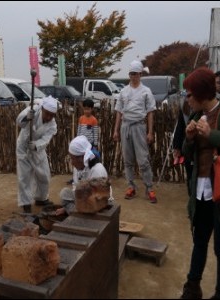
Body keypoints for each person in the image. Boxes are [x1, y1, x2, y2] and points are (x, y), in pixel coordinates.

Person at [179, 67, 220, 299]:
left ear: (201, 93)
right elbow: (189, 155)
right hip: (201, 190)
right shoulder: (197, 117)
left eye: (190, 94)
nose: (187, 99)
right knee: (199, 241)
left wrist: (211, 135)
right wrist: (189, 139)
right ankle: (192, 288)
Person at [113, 60, 157, 203]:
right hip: (125, 126)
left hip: (139, 126)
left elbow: (150, 112)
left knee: (143, 160)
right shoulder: (124, 91)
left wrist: (150, 132)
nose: (133, 76)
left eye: (136, 74)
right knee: (128, 160)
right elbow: (119, 112)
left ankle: (149, 188)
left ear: (140, 74)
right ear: (129, 74)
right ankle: (131, 186)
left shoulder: (146, 91)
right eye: (131, 73)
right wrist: (116, 130)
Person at [16, 95, 58, 213]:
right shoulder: (33, 110)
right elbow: (20, 122)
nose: (49, 117)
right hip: (23, 147)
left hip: (37, 149)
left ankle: (41, 198)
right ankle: (26, 203)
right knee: (24, 176)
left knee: (44, 174)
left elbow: (46, 139)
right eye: (47, 113)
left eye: (52, 115)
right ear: (43, 109)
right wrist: (26, 118)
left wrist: (36, 145)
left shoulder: (52, 125)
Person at [56, 135, 112, 216]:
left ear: (82, 158)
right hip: (83, 199)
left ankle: (79, 216)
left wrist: (80, 203)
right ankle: (76, 212)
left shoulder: (97, 170)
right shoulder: (78, 168)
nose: (71, 162)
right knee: (65, 193)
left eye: (72, 158)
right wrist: (66, 208)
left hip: (96, 205)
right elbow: (76, 188)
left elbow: (98, 198)